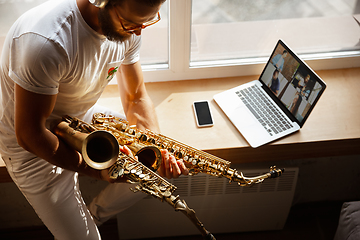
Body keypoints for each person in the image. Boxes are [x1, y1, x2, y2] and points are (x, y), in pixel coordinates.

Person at [0, 0, 189, 239]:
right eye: (130, 23)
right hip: (31, 146)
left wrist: (156, 146)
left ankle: (93, 215)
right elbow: (30, 133)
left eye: (148, 21)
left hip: (80, 116)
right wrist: (97, 170)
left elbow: (135, 97)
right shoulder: (47, 42)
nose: (139, 31)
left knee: (153, 167)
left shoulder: (128, 28)